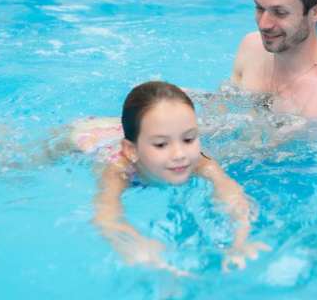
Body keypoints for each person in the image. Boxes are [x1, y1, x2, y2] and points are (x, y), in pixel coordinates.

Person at [74, 81, 269, 274]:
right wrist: (139, 246)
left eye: (188, 139)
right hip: (90, 136)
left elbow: (231, 194)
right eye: (161, 145)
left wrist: (240, 241)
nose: (179, 154)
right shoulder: (119, 170)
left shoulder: (201, 163)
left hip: (141, 131)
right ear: (131, 150)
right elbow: (106, 216)